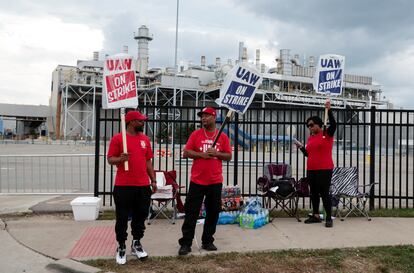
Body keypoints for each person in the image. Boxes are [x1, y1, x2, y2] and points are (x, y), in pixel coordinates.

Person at [178, 107, 232, 255]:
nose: (203, 118)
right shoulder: (196, 134)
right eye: (202, 116)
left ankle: (208, 241)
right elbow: (186, 152)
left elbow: (228, 156)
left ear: (214, 117)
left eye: (207, 116)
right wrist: (202, 155)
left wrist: (217, 153)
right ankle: (186, 243)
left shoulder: (223, 137)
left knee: (213, 212)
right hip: (197, 180)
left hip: (215, 181)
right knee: (191, 213)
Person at [107, 110, 157, 264]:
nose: (143, 123)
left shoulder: (145, 140)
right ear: (131, 122)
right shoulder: (118, 139)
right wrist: (120, 159)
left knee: (140, 216)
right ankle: (121, 245)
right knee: (122, 218)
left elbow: (148, 161)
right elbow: (110, 159)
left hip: (142, 186)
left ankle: (136, 243)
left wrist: (153, 180)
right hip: (123, 186)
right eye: (140, 121)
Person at [295, 100, 336, 228]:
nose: (310, 128)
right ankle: (316, 215)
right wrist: (301, 147)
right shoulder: (310, 138)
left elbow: (334, 124)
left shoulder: (326, 134)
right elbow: (309, 154)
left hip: (324, 169)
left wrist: (329, 111)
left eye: (312, 125)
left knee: (324, 193)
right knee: (313, 193)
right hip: (311, 169)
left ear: (318, 124)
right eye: (308, 126)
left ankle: (328, 217)